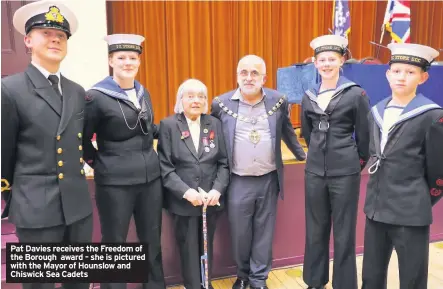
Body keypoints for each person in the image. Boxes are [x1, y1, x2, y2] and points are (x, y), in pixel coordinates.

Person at [1, 2, 92, 289]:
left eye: (61, 36)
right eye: (46, 32)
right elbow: (4, 151)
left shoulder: (78, 92)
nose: (55, 39)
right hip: (36, 206)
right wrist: (11, 196)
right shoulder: (9, 89)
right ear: (28, 40)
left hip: (77, 207)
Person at [211, 55, 306, 289]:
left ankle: (258, 279)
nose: (249, 77)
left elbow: (287, 132)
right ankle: (243, 277)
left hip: (269, 180)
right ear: (237, 76)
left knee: (264, 234)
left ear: (264, 77)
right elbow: (210, 138)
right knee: (240, 235)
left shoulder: (278, 100)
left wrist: (304, 156)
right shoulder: (221, 104)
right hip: (237, 181)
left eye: (255, 73)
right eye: (244, 72)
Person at [82, 34, 165, 289]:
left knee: (151, 239)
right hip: (115, 183)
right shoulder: (95, 96)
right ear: (111, 60)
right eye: (121, 58)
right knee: (115, 243)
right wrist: (102, 164)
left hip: (150, 179)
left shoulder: (143, 92)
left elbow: (148, 128)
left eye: (133, 57)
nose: (127, 62)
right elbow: (83, 140)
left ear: (139, 61)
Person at [361, 43, 443, 289]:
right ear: (387, 74)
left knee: (412, 277)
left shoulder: (432, 115)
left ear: (423, 77)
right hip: (376, 208)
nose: (402, 77)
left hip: (410, 210)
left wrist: (419, 198)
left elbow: (438, 168)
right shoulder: (376, 110)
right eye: (396, 71)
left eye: (410, 72)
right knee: (371, 275)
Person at [300, 35, 370, 289]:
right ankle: (314, 282)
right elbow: (308, 133)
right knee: (315, 228)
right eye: (322, 60)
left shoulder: (355, 93)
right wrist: (318, 156)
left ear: (342, 60)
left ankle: (344, 284)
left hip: (346, 171)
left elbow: (365, 136)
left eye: (332, 59)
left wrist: (353, 163)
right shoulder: (308, 95)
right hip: (315, 172)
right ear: (315, 63)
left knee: (344, 231)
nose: (326, 64)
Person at [157, 79, 230, 289]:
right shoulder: (169, 125)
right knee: (188, 250)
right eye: (190, 96)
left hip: (211, 200)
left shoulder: (214, 123)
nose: (196, 100)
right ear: (181, 100)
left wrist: (217, 189)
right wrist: (186, 192)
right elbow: (165, 167)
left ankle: (206, 284)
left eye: (201, 96)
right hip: (184, 202)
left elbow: (224, 163)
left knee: (207, 247)